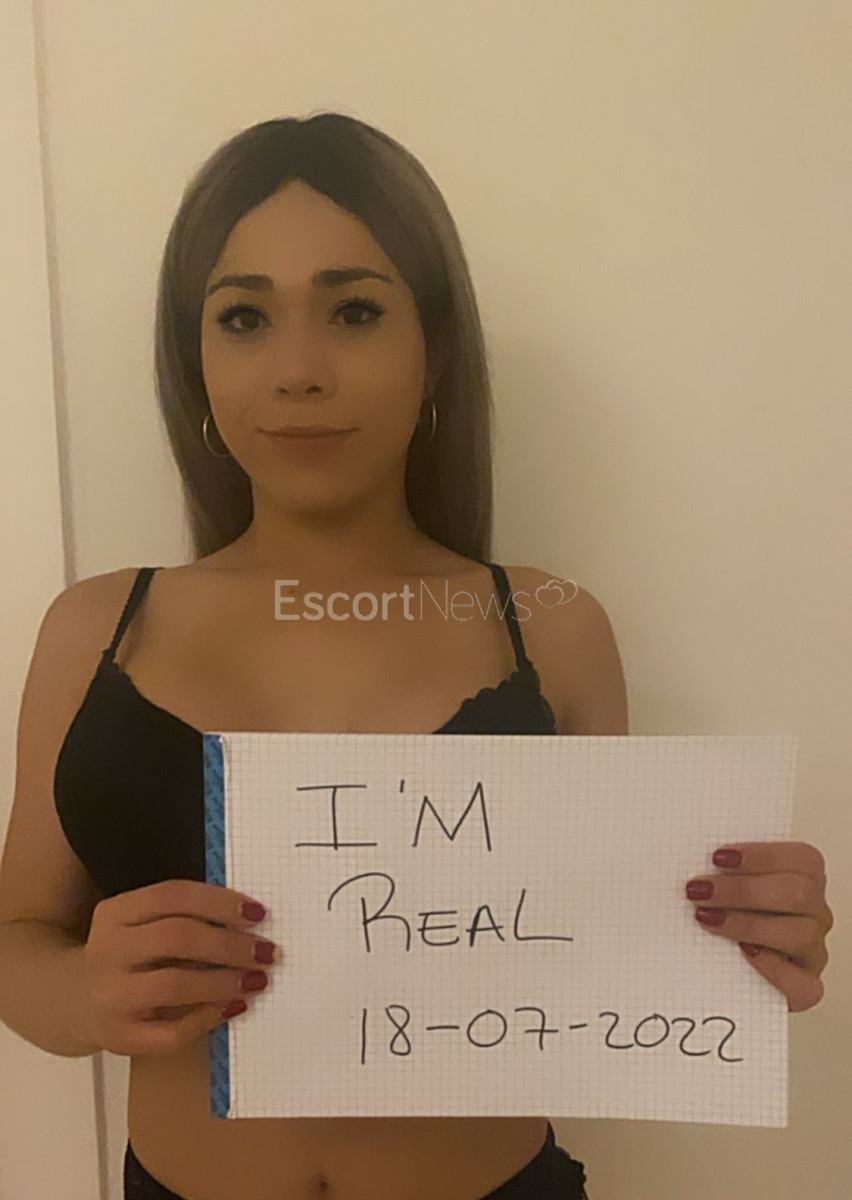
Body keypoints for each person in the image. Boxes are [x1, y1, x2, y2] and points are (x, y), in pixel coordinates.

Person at [2, 110, 630, 1200]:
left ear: (435, 350)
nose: (298, 370)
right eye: (244, 317)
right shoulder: (95, 628)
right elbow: (18, 933)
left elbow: (617, 941)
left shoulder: (550, 625)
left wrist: (739, 932)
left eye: (354, 310)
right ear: (195, 359)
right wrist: (80, 997)